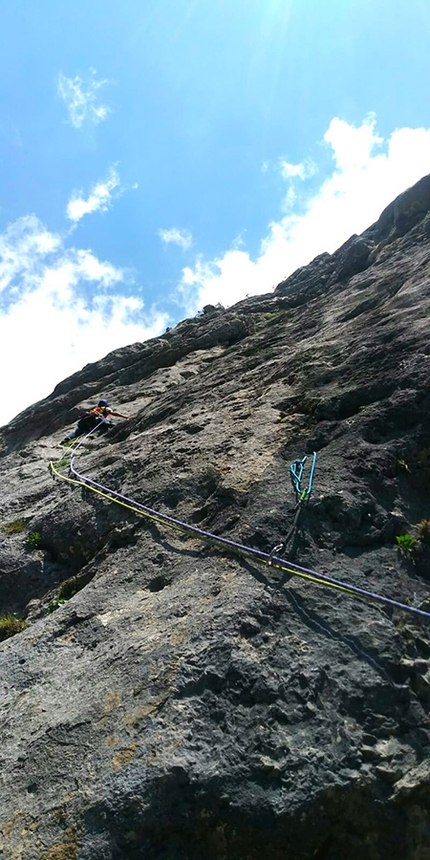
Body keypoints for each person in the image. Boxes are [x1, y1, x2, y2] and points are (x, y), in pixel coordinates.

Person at [61, 400, 128, 444]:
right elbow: (113, 413)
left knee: (78, 431)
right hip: (95, 421)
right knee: (104, 424)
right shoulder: (105, 408)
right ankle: (111, 426)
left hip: (85, 422)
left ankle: (68, 438)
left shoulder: (95, 409)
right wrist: (124, 417)